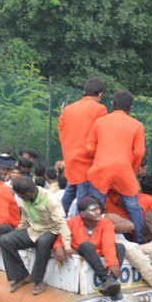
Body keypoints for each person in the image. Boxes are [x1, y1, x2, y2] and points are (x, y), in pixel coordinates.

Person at [86, 90, 146, 239]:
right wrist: (131, 168)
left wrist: (100, 157)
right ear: (130, 108)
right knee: (133, 207)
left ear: (113, 105)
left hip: (101, 169)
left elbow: (89, 147)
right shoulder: (137, 125)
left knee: (94, 206)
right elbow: (139, 152)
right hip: (124, 170)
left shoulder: (100, 121)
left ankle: (88, 236)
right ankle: (140, 241)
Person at [0, 176, 71, 295]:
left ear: (27, 194)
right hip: (33, 230)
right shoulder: (25, 199)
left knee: (42, 242)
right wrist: (17, 233)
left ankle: (38, 281)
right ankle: (21, 276)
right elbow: (25, 219)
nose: (19, 197)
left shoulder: (50, 200)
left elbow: (61, 224)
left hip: (51, 231)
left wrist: (67, 246)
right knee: (6, 239)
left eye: (20, 195)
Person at [58, 78, 108, 211]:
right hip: (87, 160)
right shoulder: (100, 109)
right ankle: (78, 227)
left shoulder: (68, 109)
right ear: (100, 94)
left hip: (70, 157)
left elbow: (61, 132)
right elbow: (101, 135)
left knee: (70, 191)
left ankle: (56, 221)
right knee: (83, 199)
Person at [65, 195, 124, 298]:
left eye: (98, 208)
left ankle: (110, 282)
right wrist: (59, 247)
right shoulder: (72, 222)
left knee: (120, 247)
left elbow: (108, 243)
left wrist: (112, 263)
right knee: (86, 245)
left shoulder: (106, 223)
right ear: (83, 214)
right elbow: (61, 239)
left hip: (99, 254)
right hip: (82, 253)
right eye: (93, 210)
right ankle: (105, 279)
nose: (98, 212)